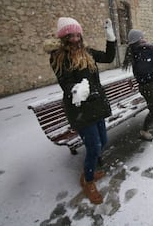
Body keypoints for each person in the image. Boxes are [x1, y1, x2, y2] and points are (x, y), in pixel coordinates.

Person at [47, 17, 116, 204]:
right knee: (94, 147)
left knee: (102, 141)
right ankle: (88, 180)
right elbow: (66, 82)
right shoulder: (58, 57)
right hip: (79, 109)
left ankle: (88, 172)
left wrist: (110, 38)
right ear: (64, 37)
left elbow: (109, 58)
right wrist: (76, 90)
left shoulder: (88, 53)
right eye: (71, 35)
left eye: (78, 34)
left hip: (96, 106)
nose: (76, 38)